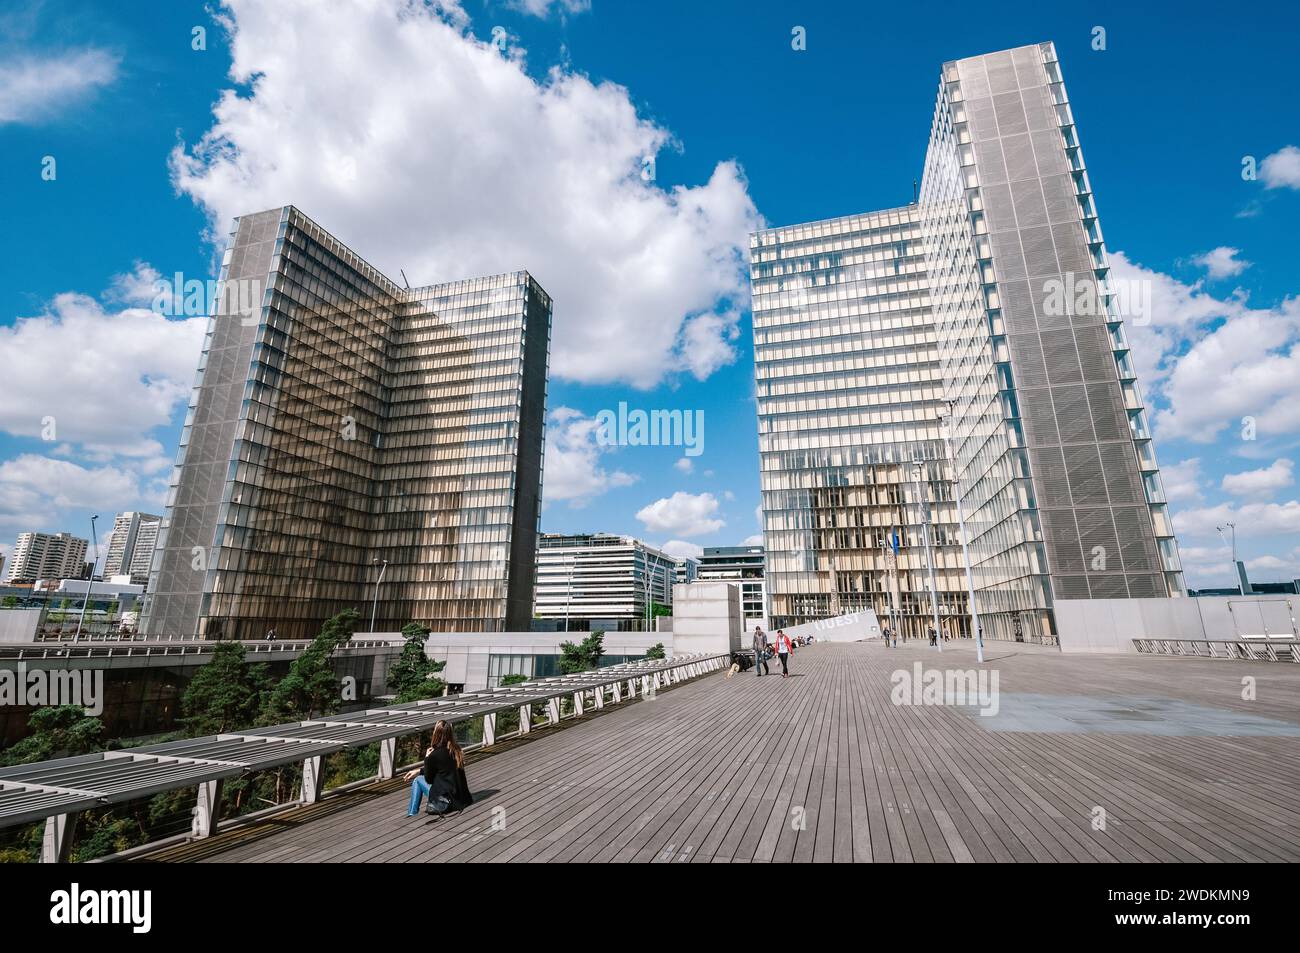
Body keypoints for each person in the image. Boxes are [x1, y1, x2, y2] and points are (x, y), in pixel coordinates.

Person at [404, 720, 473, 817]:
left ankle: (411, 814)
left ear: (436, 733)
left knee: (417, 780)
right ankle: (411, 813)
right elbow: (442, 769)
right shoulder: (456, 749)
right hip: (462, 799)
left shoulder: (434, 755)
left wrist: (427, 758)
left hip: (447, 801)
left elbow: (429, 779)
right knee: (418, 777)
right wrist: (419, 771)